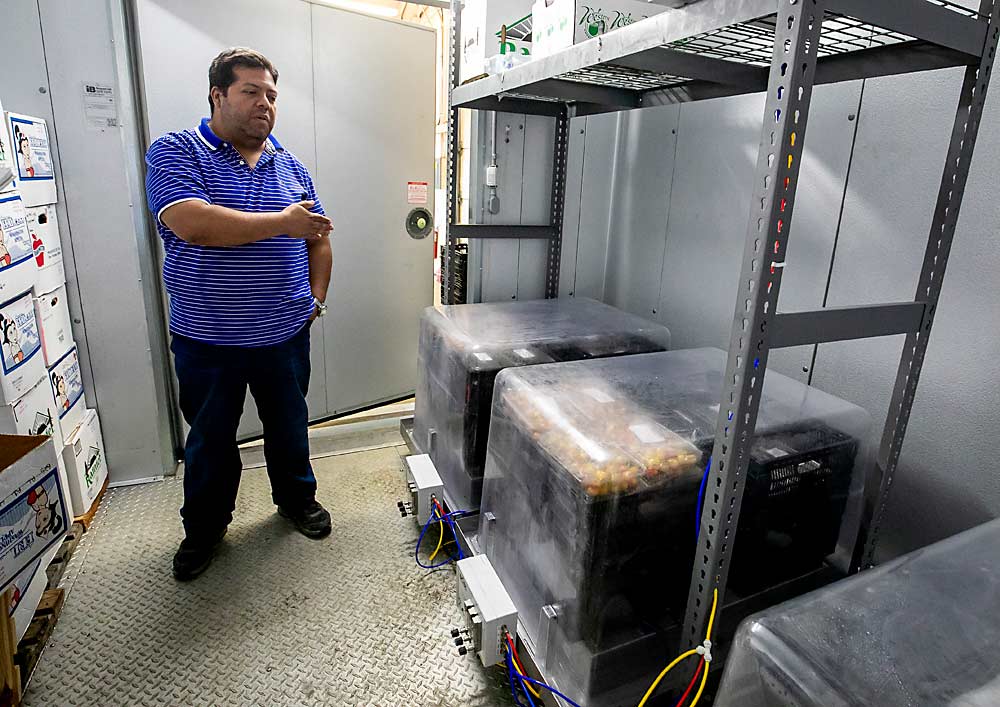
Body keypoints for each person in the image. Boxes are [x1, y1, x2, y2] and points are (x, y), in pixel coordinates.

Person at [145, 48, 335, 581]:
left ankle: (296, 500)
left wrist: (314, 299)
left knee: (289, 424)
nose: (265, 104)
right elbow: (194, 223)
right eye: (251, 92)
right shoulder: (177, 151)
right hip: (208, 340)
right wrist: (281, 223)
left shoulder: (290, 165)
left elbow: (318, 238)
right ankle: (204, 527)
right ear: (218, 95)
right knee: (210, 439)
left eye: (271, 95)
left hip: (284, 333)